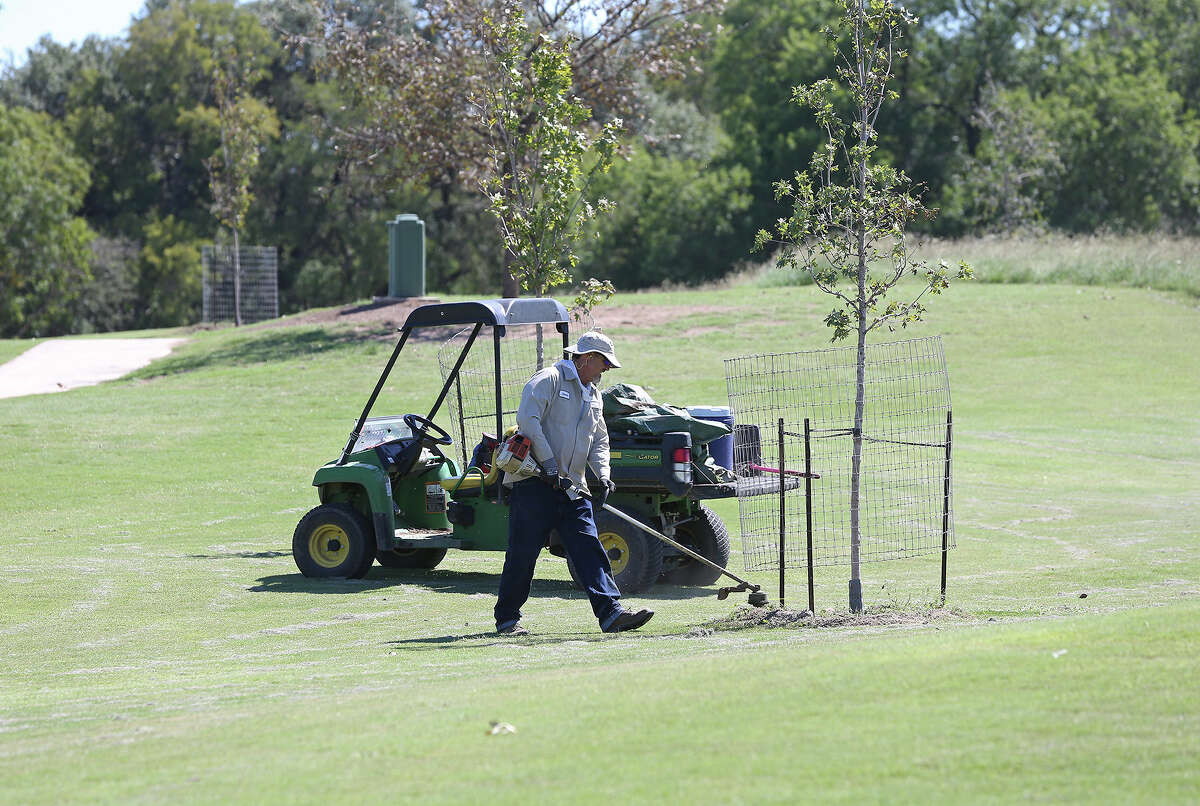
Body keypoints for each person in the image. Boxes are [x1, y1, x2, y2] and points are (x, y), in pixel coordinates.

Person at [494, 331, 654, 636]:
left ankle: (611, 614)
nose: (607, 369)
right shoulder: (549, 379)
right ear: (587, 358)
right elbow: (529, 422)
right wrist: (551, 465)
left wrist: (603, 474)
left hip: (572, 488)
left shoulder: (593, 394)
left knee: (589, 548)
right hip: (534, 484)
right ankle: (507, 620)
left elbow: (600, 439)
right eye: (605, 362)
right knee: (523, 553)